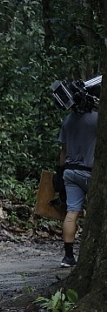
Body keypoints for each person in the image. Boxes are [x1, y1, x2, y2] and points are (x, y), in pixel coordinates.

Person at [57, 104, 98, 267]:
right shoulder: (97, 119)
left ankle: (68, 256)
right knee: (96, 211)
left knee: (72, 212)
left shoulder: (69, 120)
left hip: (70, 171)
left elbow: (63, 150)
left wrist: (60, 173)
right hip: (90, 172)